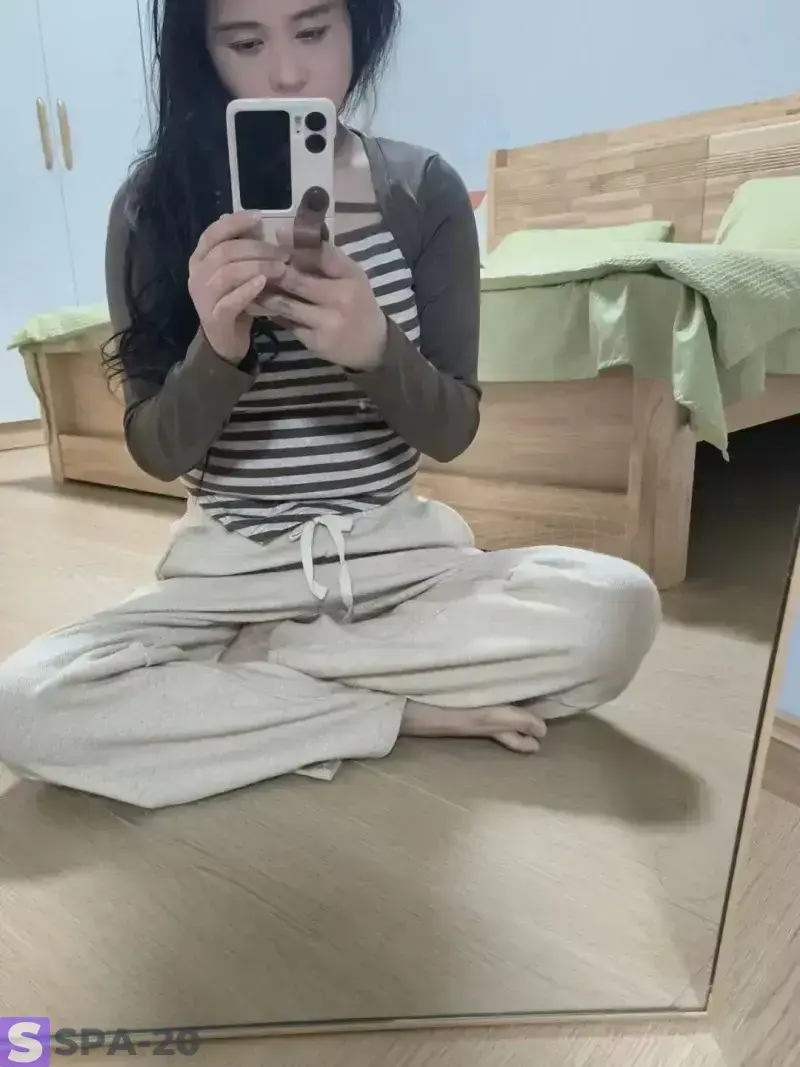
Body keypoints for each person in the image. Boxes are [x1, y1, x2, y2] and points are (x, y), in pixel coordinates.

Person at [0, 0, 660, 809]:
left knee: (616, 610)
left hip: (396, 561)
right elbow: (158, 451)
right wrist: (218, 348)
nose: (287, 72)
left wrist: (376, 348)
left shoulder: (421, 190)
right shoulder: (152, 208)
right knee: (23, 706)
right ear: (202, 50)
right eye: (246, 42)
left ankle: (268, 673)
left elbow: (452, 428)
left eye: (313, 31)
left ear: (360, 24)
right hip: (226, 576)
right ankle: (386, 707)